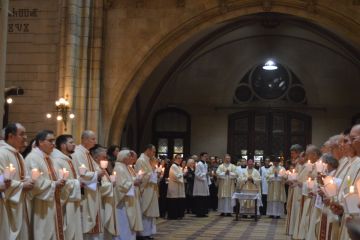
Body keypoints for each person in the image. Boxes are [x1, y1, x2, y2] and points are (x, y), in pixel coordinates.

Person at [25, 130, 66, 240]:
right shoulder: (33, 158)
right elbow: (36, 182)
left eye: (54, 141)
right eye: (50, 141)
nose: (53, 144)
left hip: (52, 202)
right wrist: (55, 184)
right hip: (40, 205)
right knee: (43, 233)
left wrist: (61, 181)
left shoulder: (49, 158)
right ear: (41, 142)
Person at [0, 123, 34, 239]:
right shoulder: (2, 153)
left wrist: (29, 180)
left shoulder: (18, 155)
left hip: (21, 202)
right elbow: (1, 179)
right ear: (10, 136)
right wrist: (21, 185)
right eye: (22, 134)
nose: (25, 137)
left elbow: (24, 176)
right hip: (7, 204)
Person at [71, 130, 107, 239]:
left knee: (90, 223)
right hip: (84, 194)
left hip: (91, 192)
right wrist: (97, 174)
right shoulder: (78, 153)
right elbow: (81, 173)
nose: (95, 141)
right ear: (85, 139)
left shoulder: (86, 153)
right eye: (93, 139)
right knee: (84, 224)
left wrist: (100, 173)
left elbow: (94, 169)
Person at [52, 134, 83, 240]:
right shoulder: (57, 160)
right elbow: (59, 181)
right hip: (65, 202)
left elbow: (73, 176)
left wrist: (78, 180)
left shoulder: (68, 159)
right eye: (71, 142)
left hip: (72, 199)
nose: (74, 145)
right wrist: (78, 183)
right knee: (67, 232)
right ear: (63, 145)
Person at [113, 150, 143, 240]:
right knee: (124, 223)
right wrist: (134, 182)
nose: (131, 158)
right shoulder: (119, 168)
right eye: (129, 156)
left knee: (129, 222)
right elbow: (121, 185)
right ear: (123, 157)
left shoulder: (125, 167)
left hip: (129, 199)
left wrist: (135, 180)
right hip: (123, 203)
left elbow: (128, 180)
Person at [91, 146, 118, 239]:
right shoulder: (94, 168)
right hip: (99, 204)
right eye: (104, 157)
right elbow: (99, 187)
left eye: (106, 157)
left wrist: (112, 183)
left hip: (104, 202)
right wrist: (110, 185)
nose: (106, 159)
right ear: (96, 157)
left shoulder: (101, 168)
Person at [135, 144, 160, 239]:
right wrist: (152, 173)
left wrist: (155, 173)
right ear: (148, 150)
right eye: (153, 151)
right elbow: (141, 176)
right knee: (144, 211)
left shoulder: (149, 160)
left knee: (150, 213)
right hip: (145, 190)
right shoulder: (141, 160)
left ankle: (148, 233)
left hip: (151, 190)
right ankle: (142, 234)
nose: (154, 154)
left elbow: (150, 174)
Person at [285, 144, 303, 236]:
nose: (291, 155)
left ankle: (293, 229)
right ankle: (290, 229)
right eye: (291, 153)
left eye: (293, 153)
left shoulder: (300, 163)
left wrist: (293, 180)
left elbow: (301, 176)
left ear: (298, 153)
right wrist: (288, 179)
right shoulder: (293, 162)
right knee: (290, 207)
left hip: (297, 189)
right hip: (292, 188)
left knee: (295, 207)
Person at [166, 154, 185, 219]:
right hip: (174, 186)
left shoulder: (179, 167)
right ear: (175, 159)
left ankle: (178, 214)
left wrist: (182, 174)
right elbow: (175, 176)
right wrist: (182, 174)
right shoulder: (173, 166)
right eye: (178, 158)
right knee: (173, 201)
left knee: (178, 200)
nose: (180, 159)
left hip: (178, 186)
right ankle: (173, 215)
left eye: (181, 158)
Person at [193, 152, 210, 217]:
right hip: (199, 184)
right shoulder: (199, 164)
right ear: (201, 157)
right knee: (200, 198)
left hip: (204, 183)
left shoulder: (205, 164)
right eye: (205, 156)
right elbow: (197, 174)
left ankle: (203, 212)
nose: (206, 157)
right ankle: (199, 213)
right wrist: (205, 174)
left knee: (204, 198)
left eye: (206, 156)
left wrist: (207, 176)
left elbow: (205, 173)